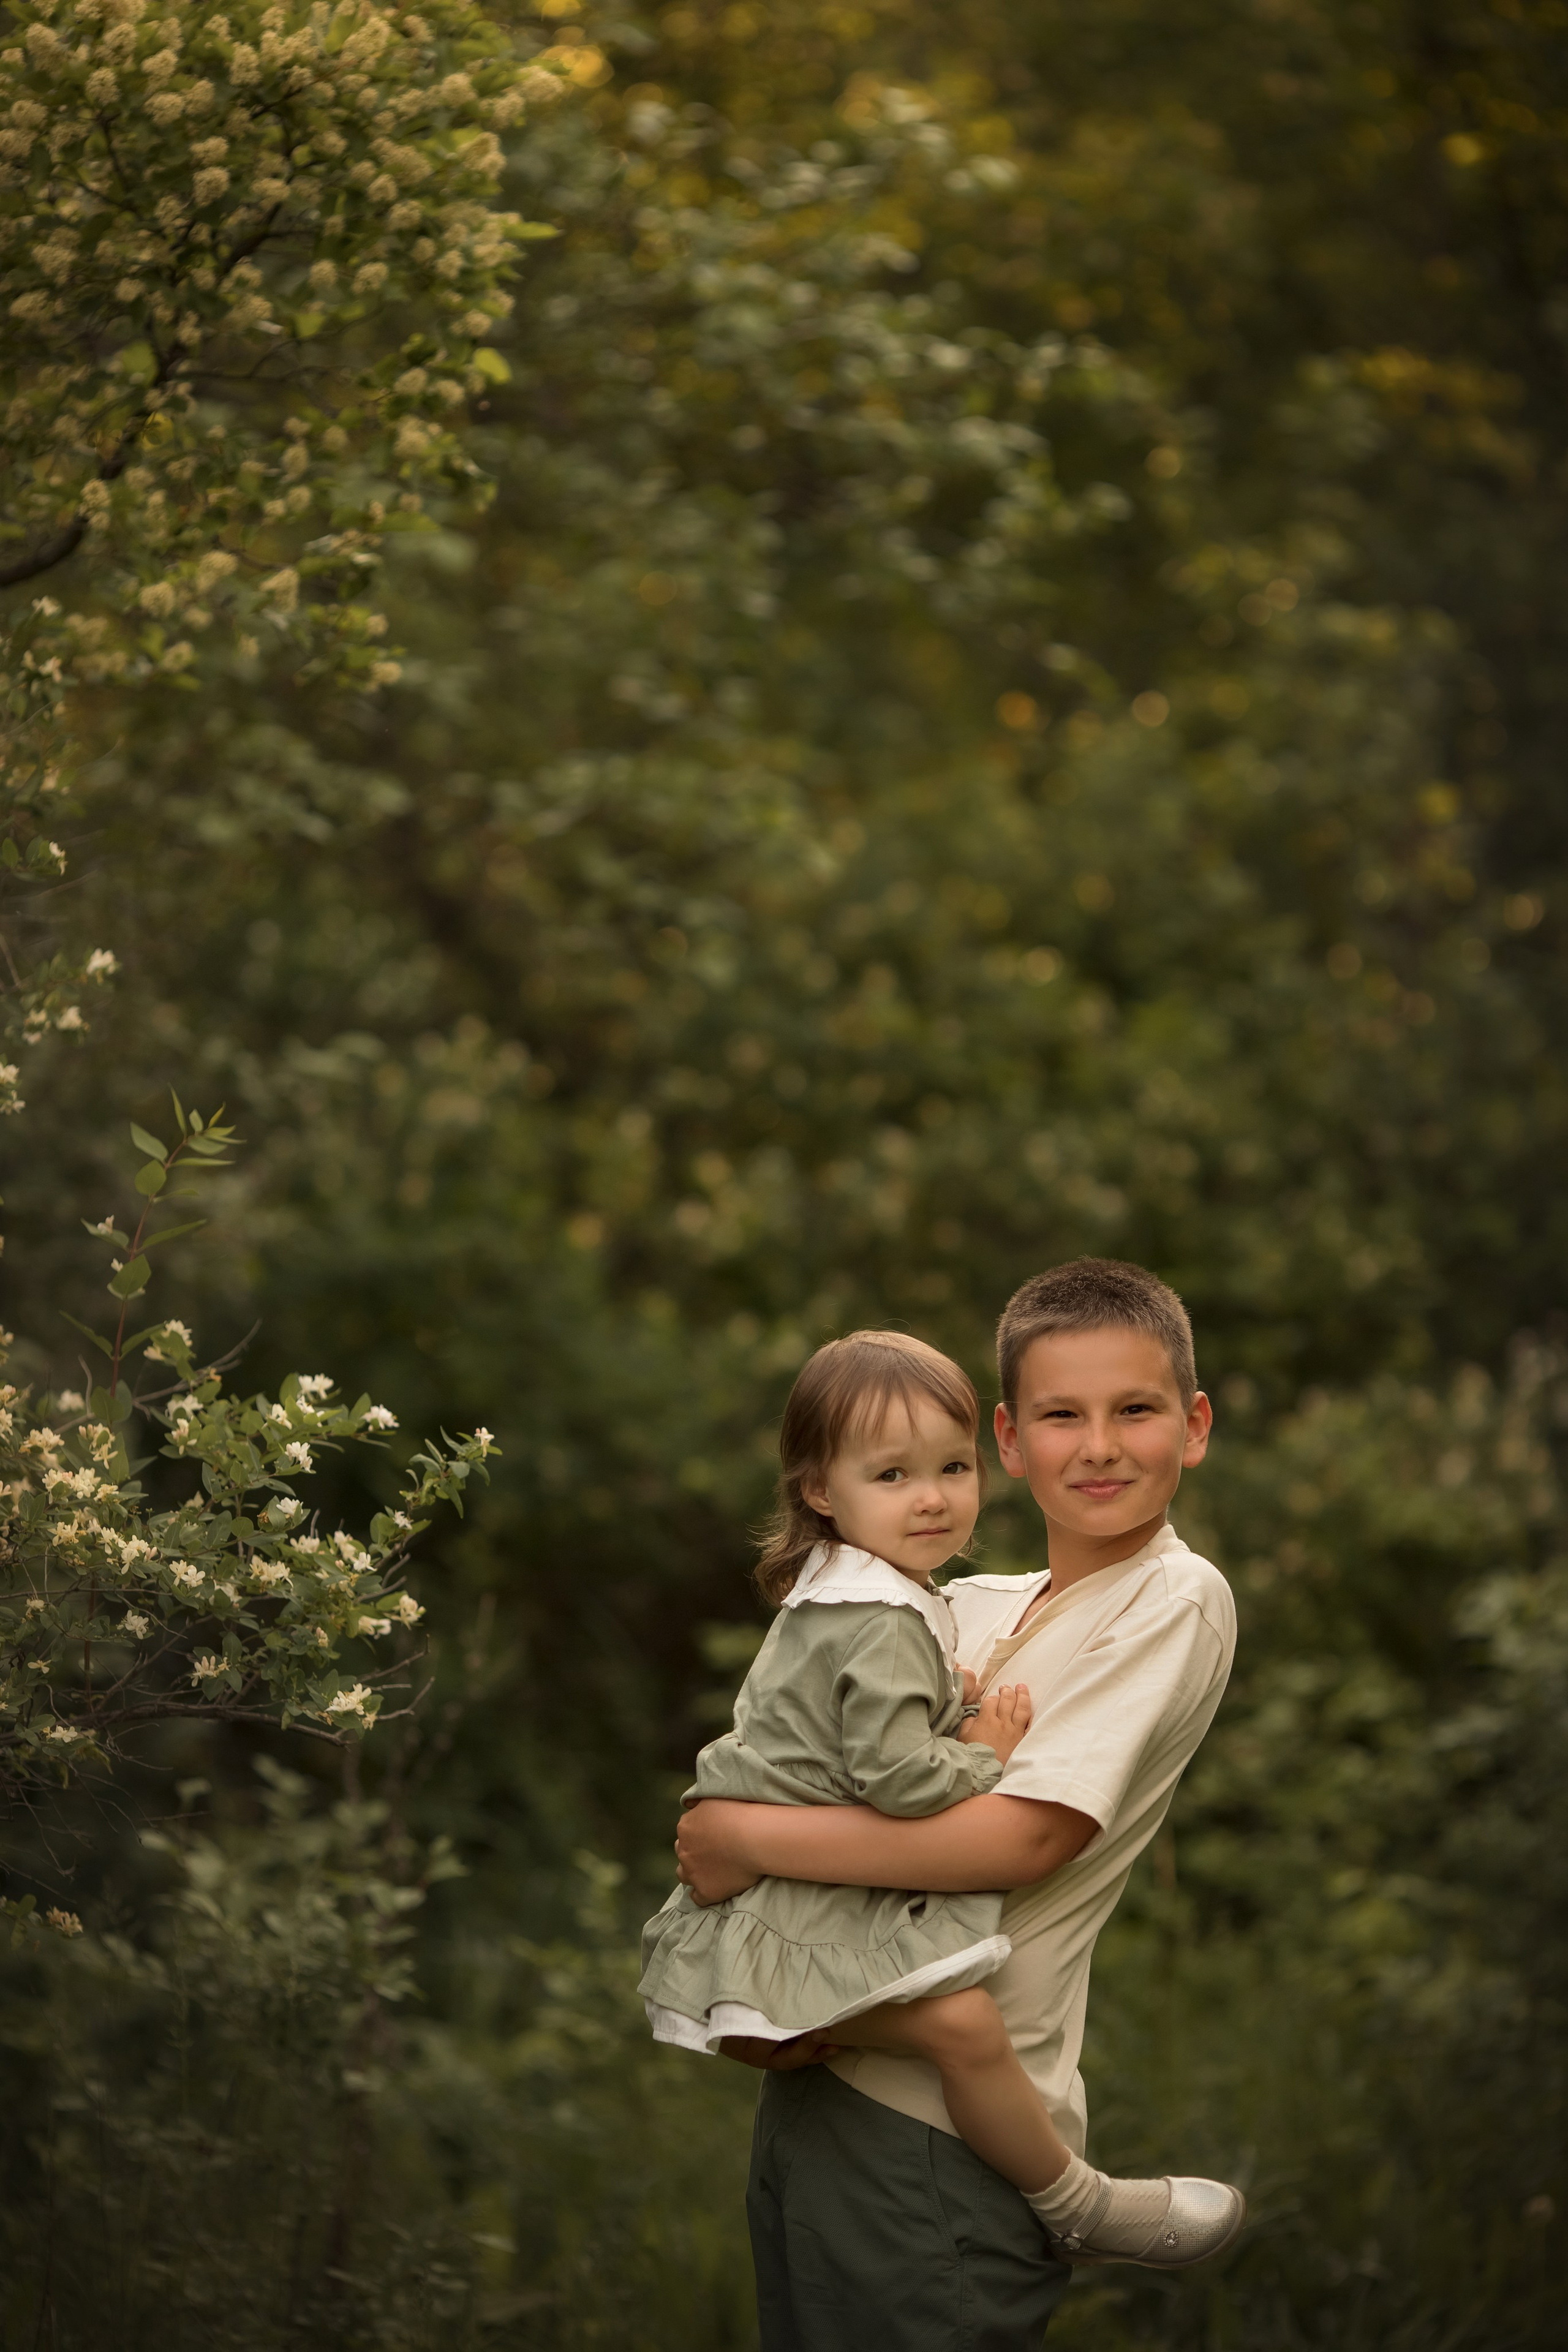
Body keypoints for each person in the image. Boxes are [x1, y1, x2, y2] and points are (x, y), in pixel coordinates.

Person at [675, 1259, 1242, 2352]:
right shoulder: (951, 1608)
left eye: (1136, 1410)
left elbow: (1023, 1837)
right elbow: (801, 1757)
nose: (1100, 1445)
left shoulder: (1173, 1597)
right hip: (812, 2086)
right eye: (1061, 1416)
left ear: (1196, 1425)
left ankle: (1077, 2203)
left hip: (936, 2133)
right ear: (1012, 1441)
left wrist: (739, 1833)